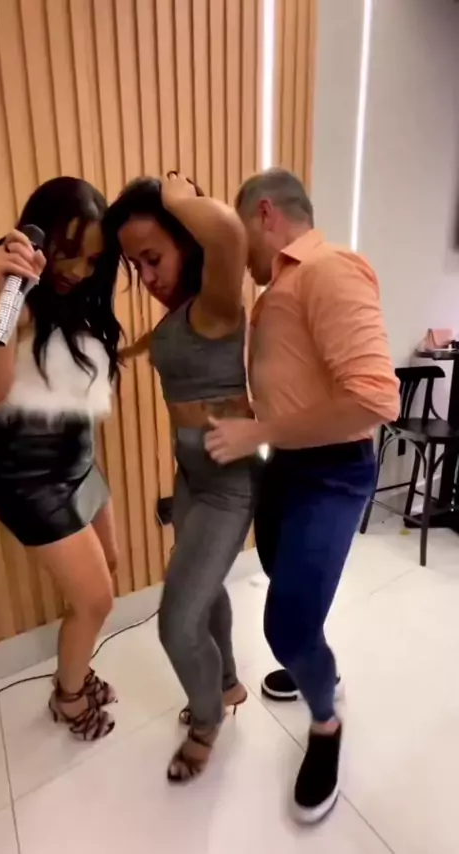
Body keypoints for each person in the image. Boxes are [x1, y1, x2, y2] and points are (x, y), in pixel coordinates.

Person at [205, 168, 399, 822]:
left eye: (240, 233)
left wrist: (258, 431)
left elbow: (375, 400)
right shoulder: (279, 287)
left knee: (285, 624)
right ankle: (320, 667)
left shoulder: (329, 269)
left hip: (333, 471)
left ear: (265, 214)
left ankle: (326, 721)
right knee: (282, 580)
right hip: (286, 465)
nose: (239, 254)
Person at [104, 173, 255, 783]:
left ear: (187, 243)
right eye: (135, 265)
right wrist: (125, 353)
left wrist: (174, 198)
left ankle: (207, 720)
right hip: (191, 476)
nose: (147, 276)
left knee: (175, 621)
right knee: (206, 589)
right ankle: (227, 681)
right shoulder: (179, 318)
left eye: (153, 257)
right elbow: (162, 338)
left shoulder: (218, 305)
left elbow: (229, 234)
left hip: (228, 485)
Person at [0, 177, 122, 741]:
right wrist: (2, 292)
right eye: (69, 252)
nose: (79, 271)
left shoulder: (81, 298)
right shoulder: (8, 295)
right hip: (27, 477)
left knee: (108, 569)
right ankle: (69, 697)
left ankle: (75, 670)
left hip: (79, 458)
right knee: (95, 599)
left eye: (93, 260)